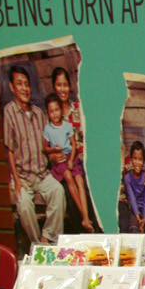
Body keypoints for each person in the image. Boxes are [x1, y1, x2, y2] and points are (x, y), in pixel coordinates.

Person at [2, 64, 64, 246]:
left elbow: (47, 146)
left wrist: (54, 156)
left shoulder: (39, 113)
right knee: (23, 204)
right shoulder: (9, 112)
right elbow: (10, 150)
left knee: (58, 192)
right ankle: (37, 244)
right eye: (19, 84)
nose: (24, 88)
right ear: (12, 87)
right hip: (22, 175)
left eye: (27, 84)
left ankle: (48, 237)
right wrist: (16, 180)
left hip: (41, 173)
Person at [43, 94, 95, 232]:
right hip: (59, 160)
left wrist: (72, 160)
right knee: (67, 176)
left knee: (80, 181)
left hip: (70, 157)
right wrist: (53, 150)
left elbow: (73, 144)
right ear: (48, 113)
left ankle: (86, 217)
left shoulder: (67, 126)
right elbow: (45, 148)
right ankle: (84, 217)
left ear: (61, 110)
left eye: (56, 110)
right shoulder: (48, 129)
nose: (54, 114)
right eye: (51, 111)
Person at [123, 140, 145, 232]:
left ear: (144, 162)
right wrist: (137, 217)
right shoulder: (128, 178)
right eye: (135, 158)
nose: (137, 162)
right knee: (133, 229)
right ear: (131, 160)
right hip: (134, 210)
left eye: (140, 159)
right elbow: (132, 198)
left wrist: (144, 218)